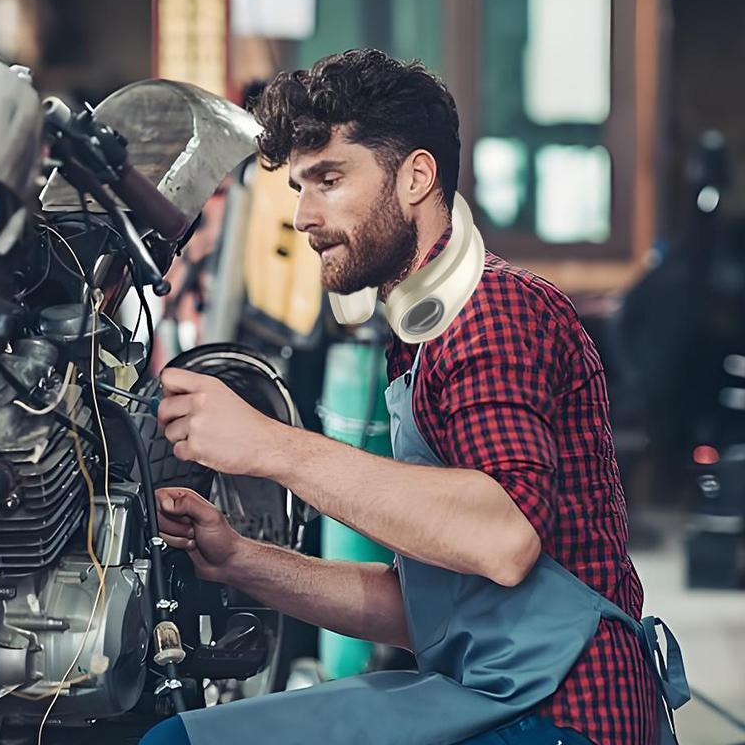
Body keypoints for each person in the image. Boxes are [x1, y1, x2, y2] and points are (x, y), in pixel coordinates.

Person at [141, 49, 665, 745]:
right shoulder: (419, 339)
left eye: (328, 180)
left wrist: (268, 446)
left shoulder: (496, 312)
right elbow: (425, 607)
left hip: (566, 717)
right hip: (482, 691)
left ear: (416, 177)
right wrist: (239, 557)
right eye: (299, 186)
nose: (302, 216)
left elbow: (501, 540)